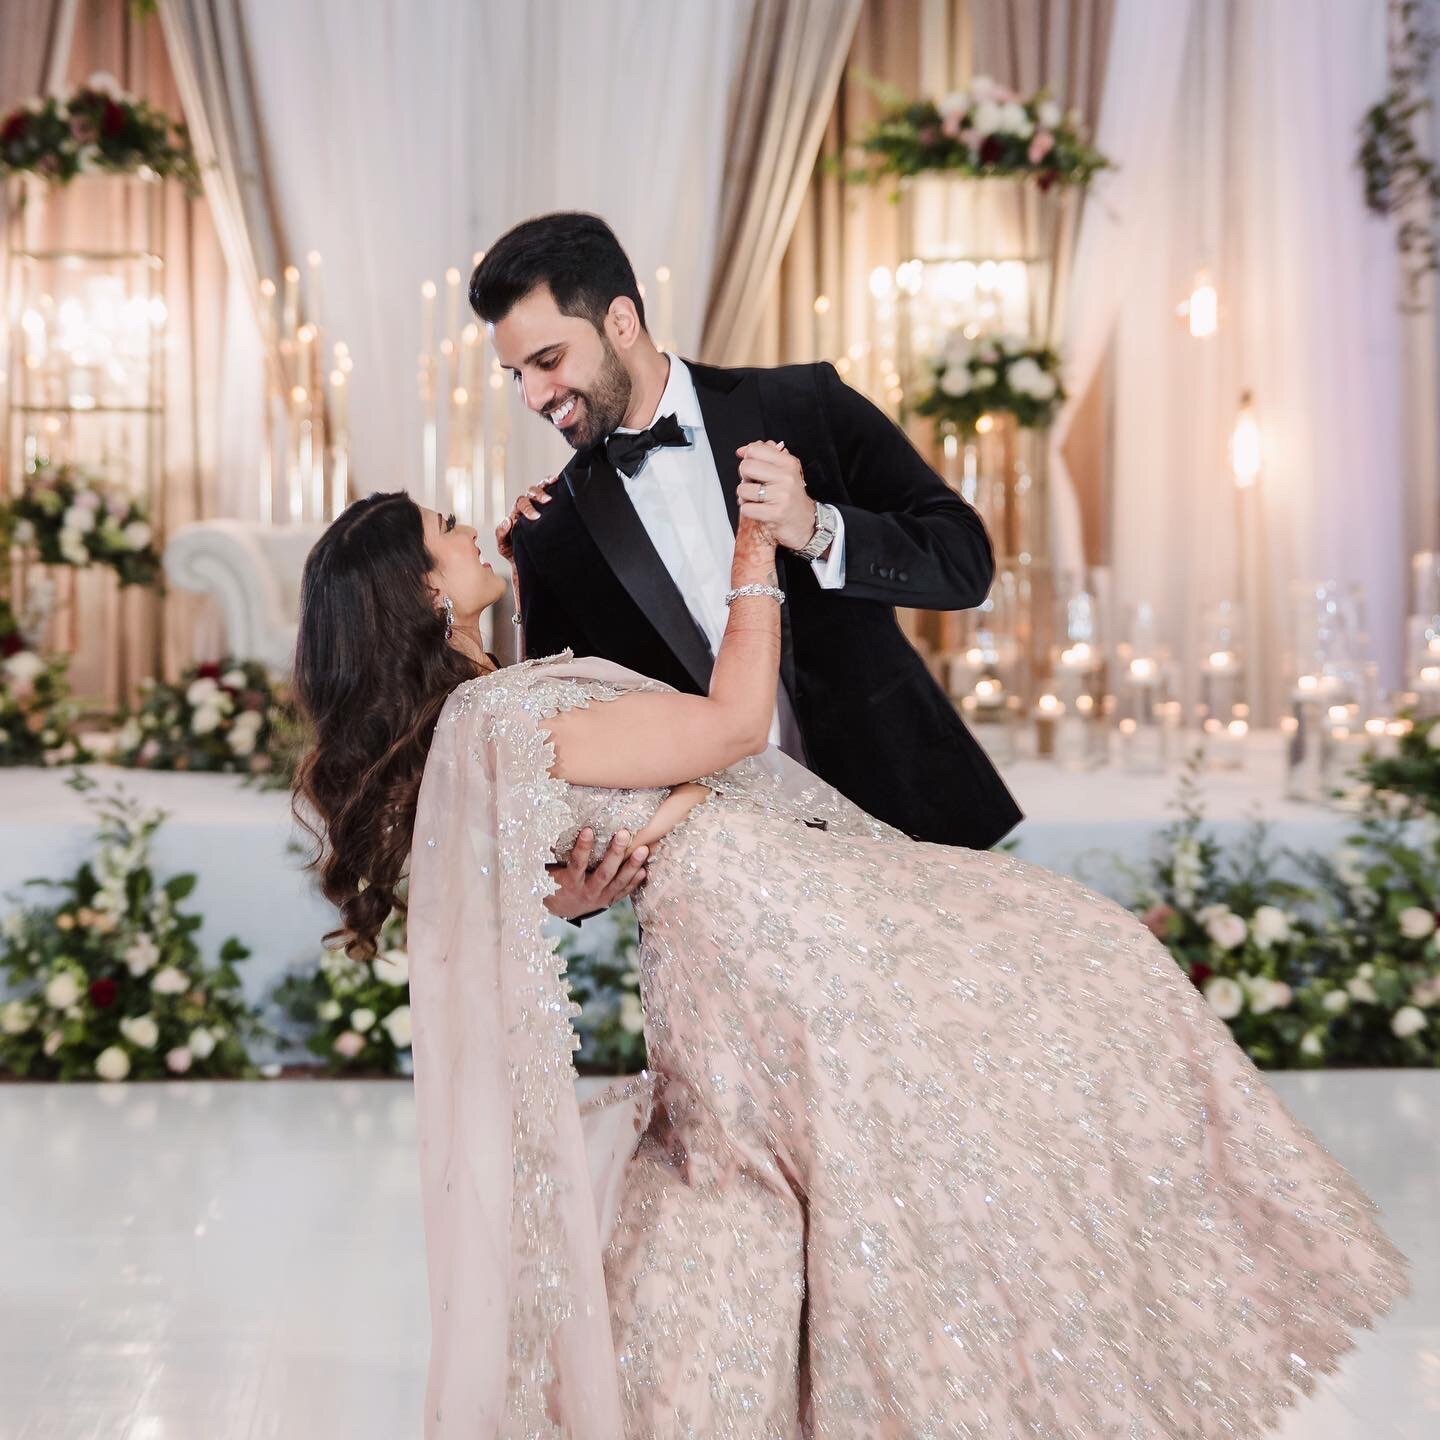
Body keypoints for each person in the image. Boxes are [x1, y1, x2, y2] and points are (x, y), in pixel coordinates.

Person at [293, 489, 1406, 1439]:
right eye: (445, 529)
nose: (465, 524)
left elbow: (597, 820)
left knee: (829, 1167)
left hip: (740, 923)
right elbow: (733, 728)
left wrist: (641, 824)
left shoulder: (486, 711)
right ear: (426, 591)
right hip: (772, 930)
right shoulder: (497, 715)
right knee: (1028, 1014)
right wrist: (752, 560)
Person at [469, 213, 1022, 926]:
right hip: (726, 901)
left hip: (903, 833)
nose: (534, 397)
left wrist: (815, 527)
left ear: (622, 321)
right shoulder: (553, 535)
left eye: (548, 361)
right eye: (516, 375)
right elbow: (573, 770)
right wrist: (570, 893)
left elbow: (965, 561)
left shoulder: (803, 403)